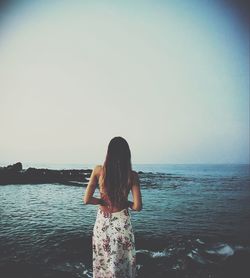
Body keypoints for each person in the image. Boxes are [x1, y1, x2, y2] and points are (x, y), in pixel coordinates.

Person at [83, 136, 142, 278]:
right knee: (122, 261)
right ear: (127, 154)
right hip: (122, 222)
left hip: (102, 222)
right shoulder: (132, 175)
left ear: (109, 152)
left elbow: (87, 199)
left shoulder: (98, 170)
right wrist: (126, 203)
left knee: (103, 259)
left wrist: (101, 201)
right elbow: (137, 206)